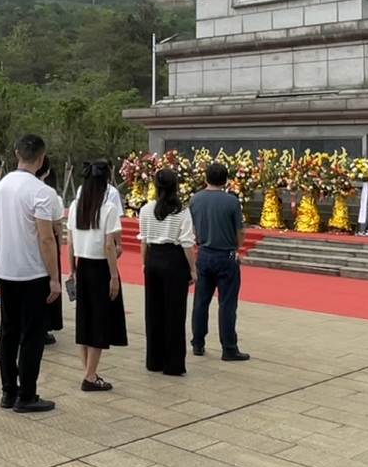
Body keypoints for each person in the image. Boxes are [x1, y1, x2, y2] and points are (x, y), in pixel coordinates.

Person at [0, 134, 60, 414]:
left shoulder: (1, 185)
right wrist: (55, 278)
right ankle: (27, 394)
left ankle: (9, 390)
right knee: (32, 336)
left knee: (9, 332)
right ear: (42, 158)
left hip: (8, 271)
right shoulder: (41, 191)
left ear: (16, 152)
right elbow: (47, 239)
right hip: (33, 272)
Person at [68, 160, 127, 390]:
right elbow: (109, 246)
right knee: (100, 322)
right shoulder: (107, 209)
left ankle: (88, 372)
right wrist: (114, 276)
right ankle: (90, 376)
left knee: (85, 321)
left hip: (82, 266)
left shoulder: (76, 206)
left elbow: (70, 242)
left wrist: (71, 269)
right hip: (101, 269)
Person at [190, 162, 249, 361]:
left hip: (204, 252)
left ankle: (198, 342)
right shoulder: (231, 201)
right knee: (227, 303)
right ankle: (229, 347)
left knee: (201, 302)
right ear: (226, 180)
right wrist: (236, 249)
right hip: (227, 254)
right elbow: (240, 230)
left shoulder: (195, 199)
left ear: (205, 178)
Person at [139, 169, 196, 375]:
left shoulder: (146, 209)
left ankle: (154, 360)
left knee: (153, 311)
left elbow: (144, 240)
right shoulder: (181, 211)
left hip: (154, 258)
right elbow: (187, 243)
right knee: (174, 312)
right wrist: (192, 268)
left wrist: (144, 263)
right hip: (174, 259)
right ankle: (173, 364)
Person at [36, 157, 65, 344]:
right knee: (47, 286)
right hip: (45, 246)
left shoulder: (8, 187)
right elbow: (57, 225)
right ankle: (44, 327)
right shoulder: (48, 193)